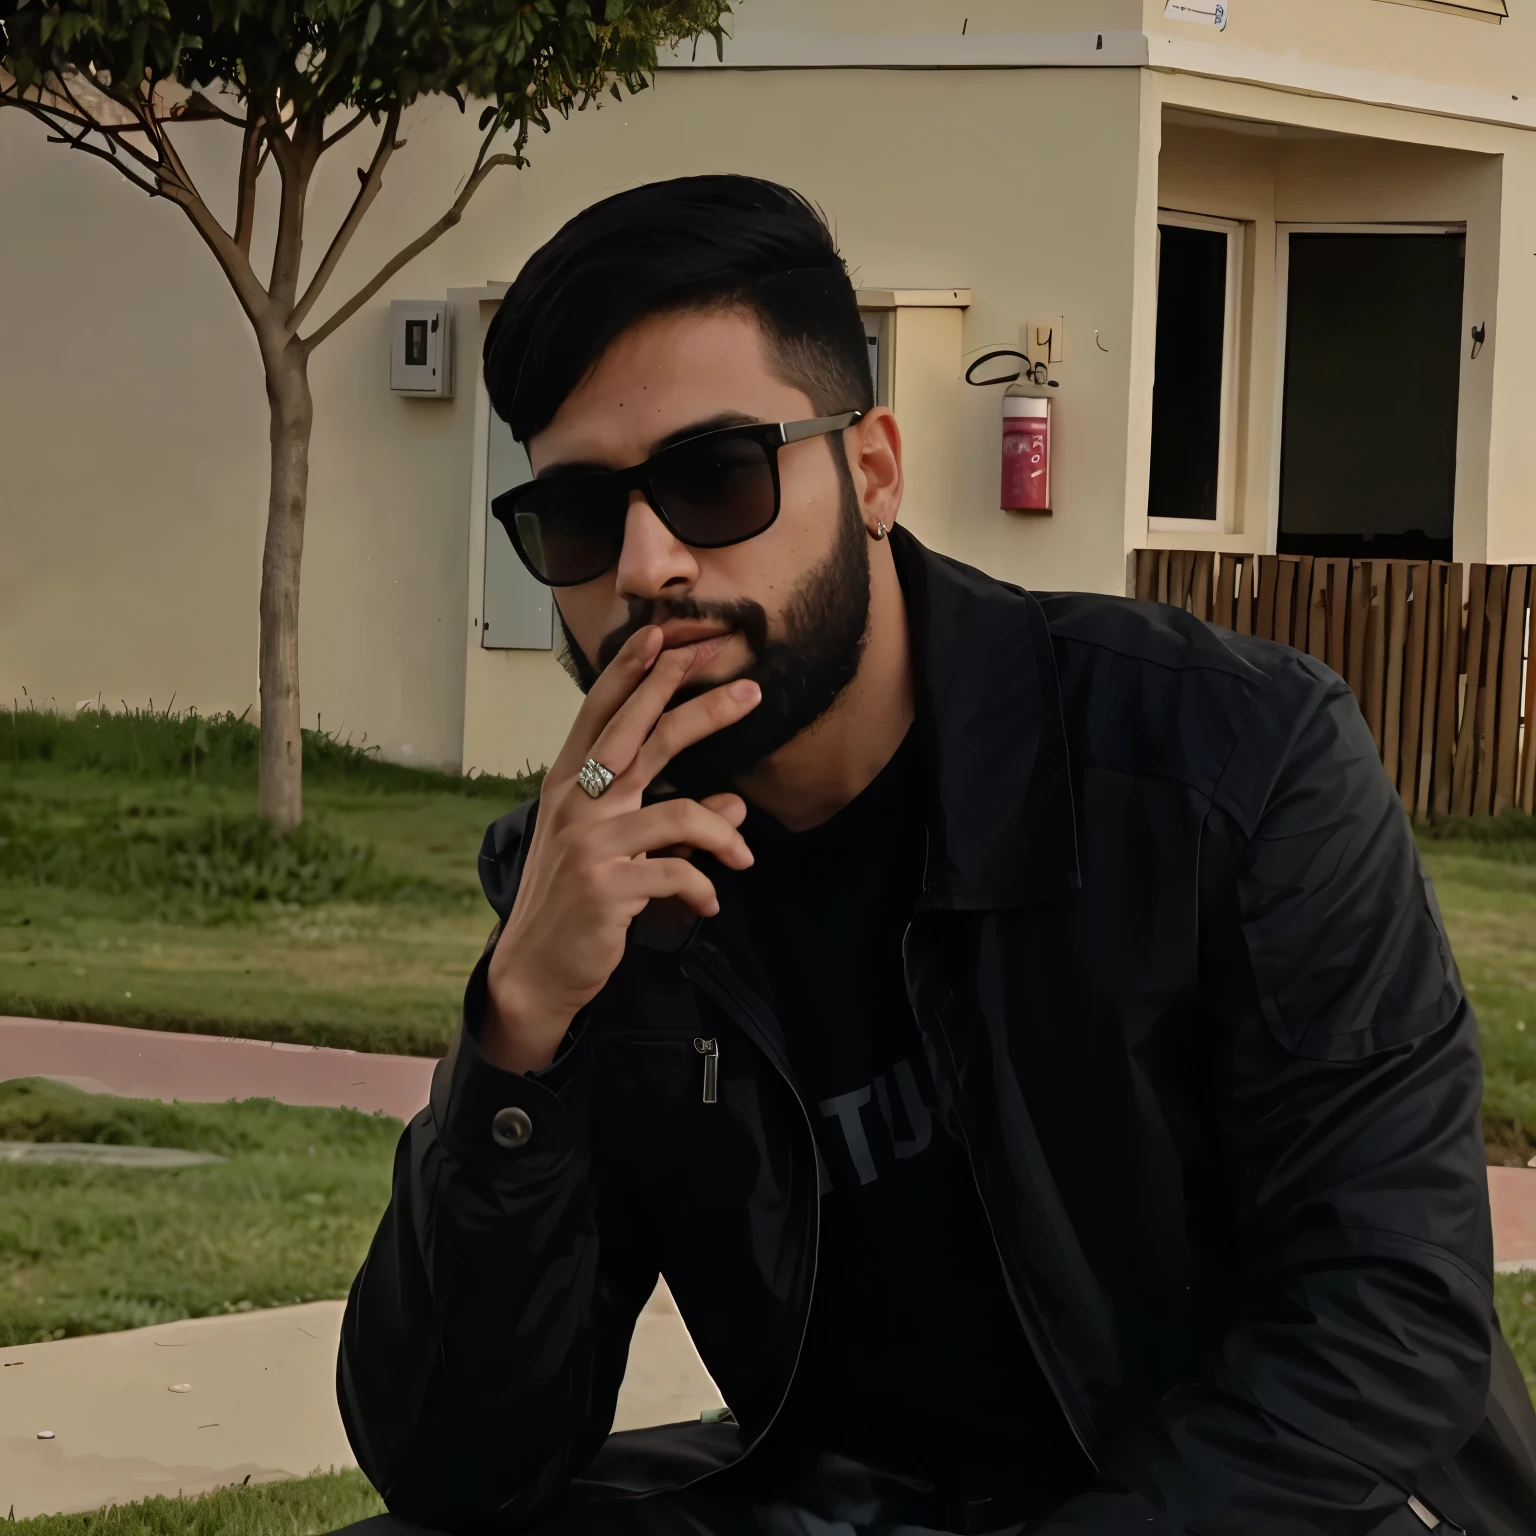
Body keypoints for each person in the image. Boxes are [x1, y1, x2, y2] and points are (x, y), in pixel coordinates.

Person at [335, 175, 1536, 1536]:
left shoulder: (1225, 764)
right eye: (579, 516)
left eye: (716, 477)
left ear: (875, 473)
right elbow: (456, 1466)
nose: (648, 565)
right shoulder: (605, 897)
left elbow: (1387, 1316)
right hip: (869, 1500)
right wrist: (519, 1031)